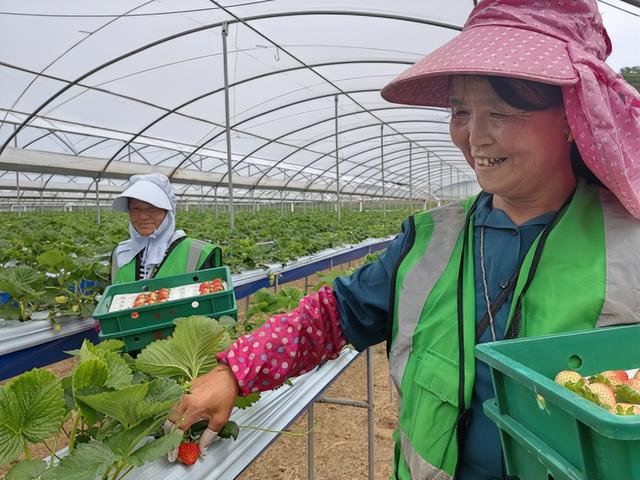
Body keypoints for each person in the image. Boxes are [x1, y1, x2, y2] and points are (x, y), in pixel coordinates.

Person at [168, 1, 640, 478]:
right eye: (460, 112)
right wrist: (236, 371)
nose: (475, 136)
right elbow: (334, 313)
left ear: (572, 114)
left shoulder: (630, 244)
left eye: (500, 112)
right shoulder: (430, 241)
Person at [110, 173, 222, 283]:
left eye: (153, 208)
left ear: (168, 212)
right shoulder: (120, 254)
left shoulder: (197, 253)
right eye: (135, 208)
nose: (143, 216)